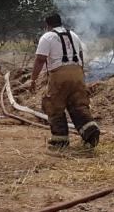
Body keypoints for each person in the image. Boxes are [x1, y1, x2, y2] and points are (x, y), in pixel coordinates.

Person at [29, 12, 100, 150]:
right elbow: (80, 55)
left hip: (60, 75)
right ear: (60, 22)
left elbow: (40, 60)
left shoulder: (47, 37)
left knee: (54, 106)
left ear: (47, 24)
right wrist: (81, 74)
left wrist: (33, 79)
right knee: (78, 105)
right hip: (77, 73)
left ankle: (60, 140)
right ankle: (90, 132)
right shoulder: (73, 35)